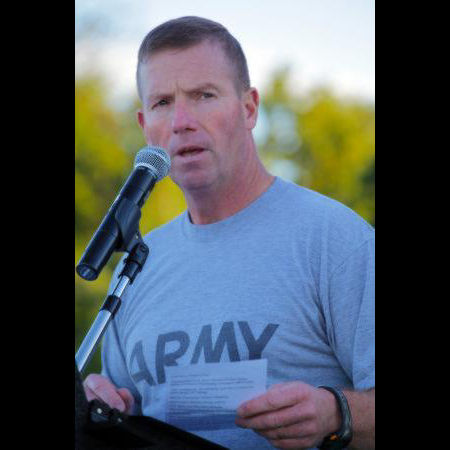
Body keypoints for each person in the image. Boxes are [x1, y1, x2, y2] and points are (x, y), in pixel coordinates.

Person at [83, 16, 375, 450]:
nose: (181, 120)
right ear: (145, 125)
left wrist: (337, 413)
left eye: (204, 95)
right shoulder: (136, 266)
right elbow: (131, 417)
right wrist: (104, 405)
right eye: (163, 102)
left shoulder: (334, 240)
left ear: (249, 108)